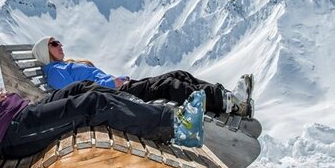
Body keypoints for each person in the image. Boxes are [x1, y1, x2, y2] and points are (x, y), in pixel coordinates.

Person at [0, 34, 205, 160]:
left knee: (83, 89)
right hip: (9, 134)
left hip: (20, 113)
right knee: (93, 104)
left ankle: (150, 118)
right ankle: (177, 127)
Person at [31, 36, 254, 117]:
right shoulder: (54, 72)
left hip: (117, 87)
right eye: (54, 44)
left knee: (179, 74)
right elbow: (78, 89)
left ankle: (227, 97)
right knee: (170, 85)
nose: (60, 45)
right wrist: (112, 83)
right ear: (44, 52)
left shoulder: (64, 65)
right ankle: (229, 104)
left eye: (59, 42)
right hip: (113, 95)